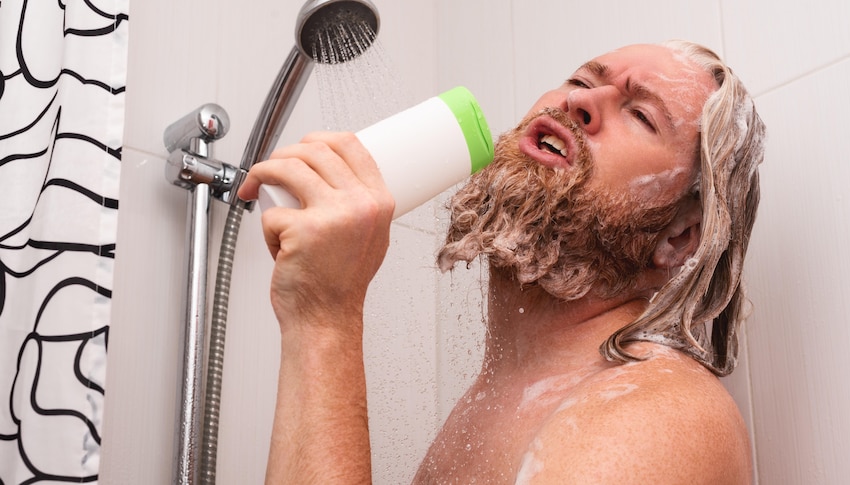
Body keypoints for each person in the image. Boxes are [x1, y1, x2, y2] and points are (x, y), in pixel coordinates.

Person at [237, 39, 766, 484]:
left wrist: (324, 317)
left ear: (676, 238)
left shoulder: (658, 418)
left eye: (641, 114)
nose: (578, 103)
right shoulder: (503, 399)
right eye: (581, 81)